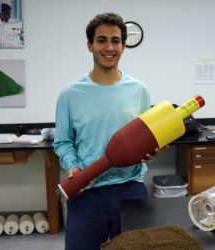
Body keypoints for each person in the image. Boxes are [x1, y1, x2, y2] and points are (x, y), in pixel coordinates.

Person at [53, 13, 159, 250]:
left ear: (123, 46)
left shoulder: (139, 90)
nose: (109, 47)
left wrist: (150, 152)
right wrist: (72, 166)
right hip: (87, 191)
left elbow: (145, 136)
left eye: (115, 41)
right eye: (101, 40)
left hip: (131, 188)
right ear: (90, 45)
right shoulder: (70, 94)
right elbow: (62, 142)